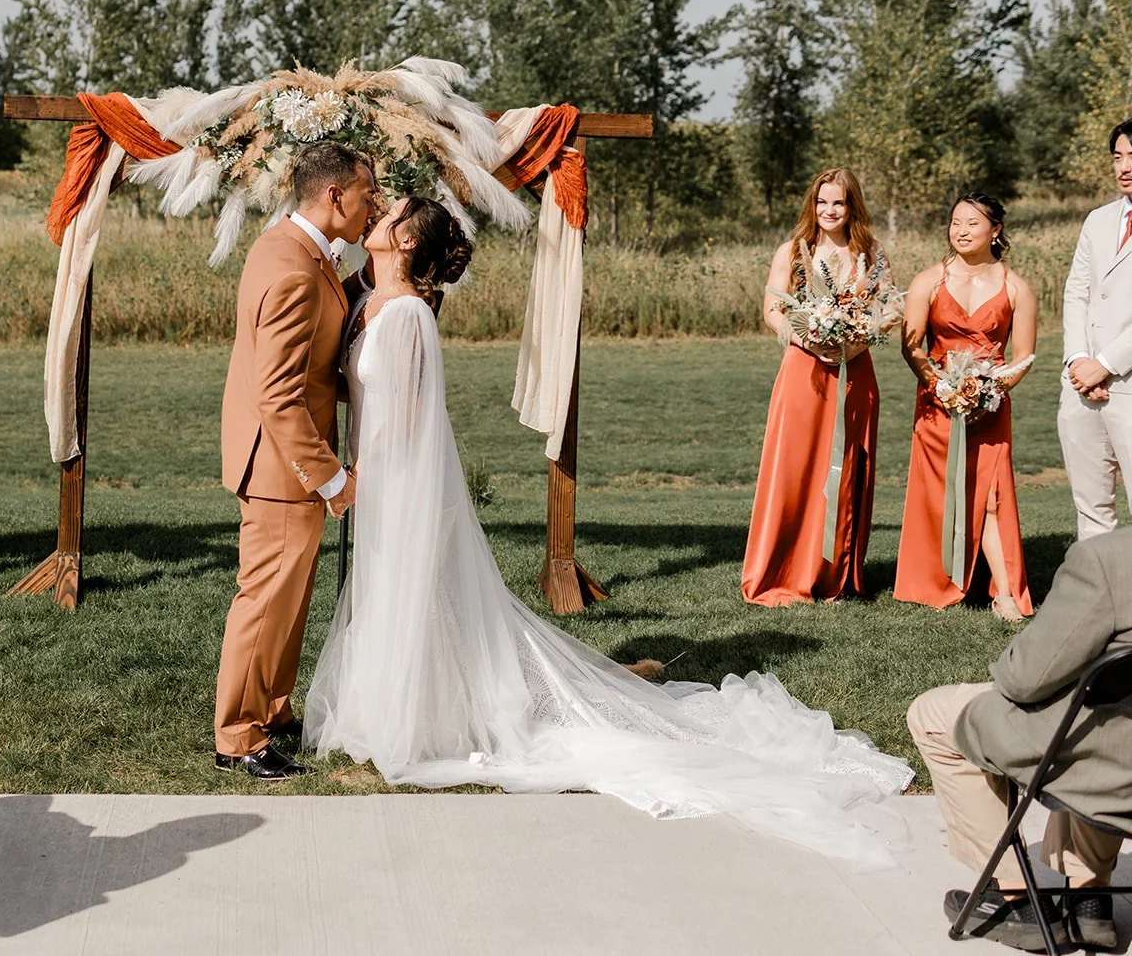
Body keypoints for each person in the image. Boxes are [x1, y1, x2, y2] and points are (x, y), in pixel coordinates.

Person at [306, 196, 913, 865]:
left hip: (400, 481)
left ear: (405, 241)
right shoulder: (369, 300)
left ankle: (425, 719)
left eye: (390, 212)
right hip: (380, 479)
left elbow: (407, 416)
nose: (378, 213)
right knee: (401, 596)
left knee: (422, 596)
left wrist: (357, 476)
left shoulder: (409, 315)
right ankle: (402, 709)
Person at [214, 142, 379, 780]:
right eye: (367, 194)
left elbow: (315, 337)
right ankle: (238, 738)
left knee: (287, 604)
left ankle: (272, 711)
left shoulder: (290, 247)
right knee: (264, 603)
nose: (373, 206)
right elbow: (278, 392)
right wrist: (332, 479)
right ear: (334, 195)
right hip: (282, 467)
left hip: (282, 462)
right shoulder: (294, 269)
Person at [909, 528, 1132, 952]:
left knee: (930, 715)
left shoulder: (1108, 560)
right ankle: (1089, 898)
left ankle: (1015, 898)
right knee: (1107, 721)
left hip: (1105, 764)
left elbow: (1025, 678)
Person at [742, 169, 890, 605]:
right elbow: (772, 311)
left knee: (845, 470)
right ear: (812, 204)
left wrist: (855, 342)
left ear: (852, 206)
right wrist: (810, 339)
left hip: (854, 373)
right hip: (803, 373)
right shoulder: (792, 251)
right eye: (822, 202)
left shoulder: (871, 252)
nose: (830, 210)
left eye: (839, 202)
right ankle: (783, 569)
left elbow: (888, 309)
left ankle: (836, 576)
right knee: (796, 468)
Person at [896, 194, 1037, 619]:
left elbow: (1023, 357)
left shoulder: (1017, 288)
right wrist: (942, 388)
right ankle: (937, 580)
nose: (961, 230)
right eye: (955, 222)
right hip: (937, 405)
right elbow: (912, 347)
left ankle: (1005, 593)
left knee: (992, 496)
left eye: (972, 223)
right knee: (940, 494)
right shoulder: (928, 281)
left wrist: (987, 393)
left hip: (990, 408)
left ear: (995, 230)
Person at [1058, 116, 1132, 540]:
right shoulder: (1097, 220)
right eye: (1117, 157)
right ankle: (1101, 584)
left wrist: (1104, 364)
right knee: (1092, 513)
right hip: (1081, 388)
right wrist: (1078, 360)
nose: (1124, 166)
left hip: (1125, 381)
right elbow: (1076, 293)